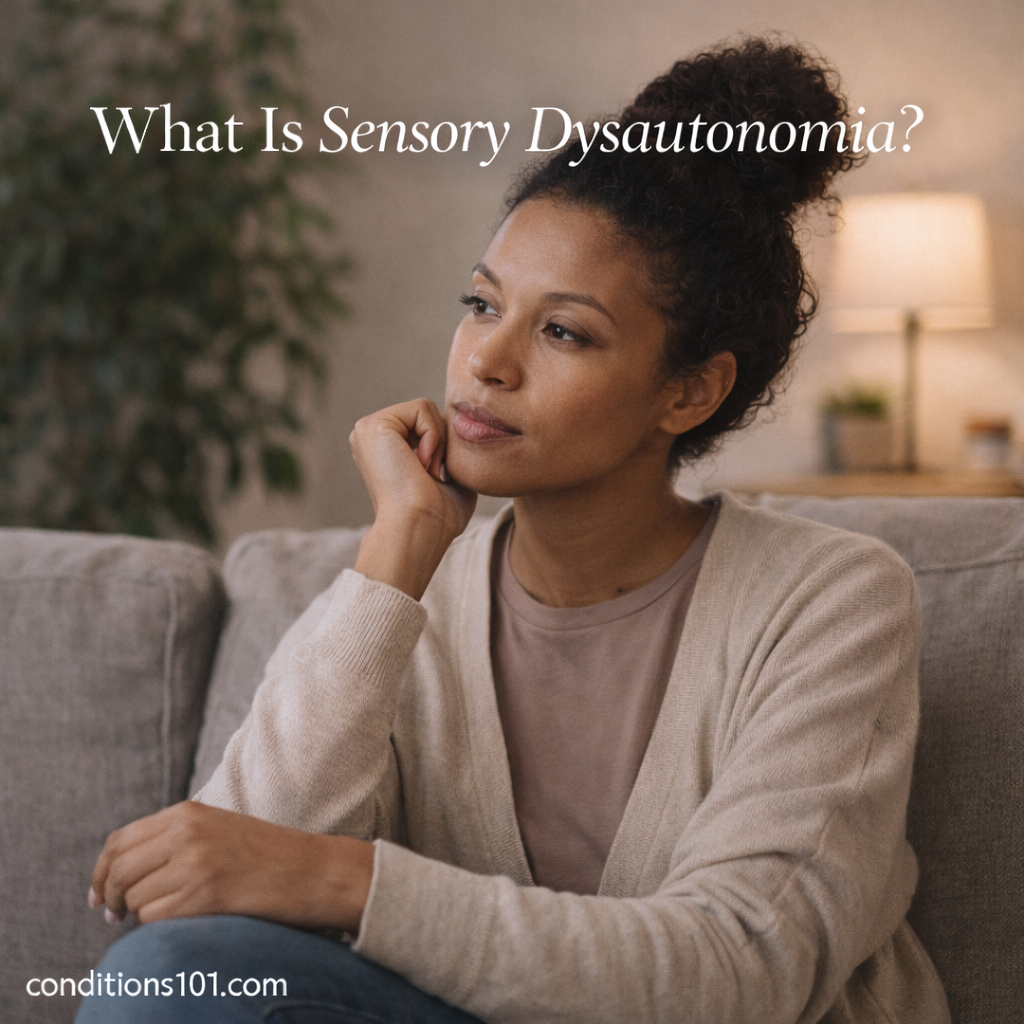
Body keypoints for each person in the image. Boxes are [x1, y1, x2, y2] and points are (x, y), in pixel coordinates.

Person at [76, 37, 951, 1024]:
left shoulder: (832, 598)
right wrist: (395, 559)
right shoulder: (405, 601)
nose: (486, 360)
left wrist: (348, 883)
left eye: (563, 330)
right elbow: (222, 892)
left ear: (690, 388)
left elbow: (742, 969)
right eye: (482, 303)